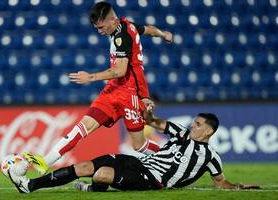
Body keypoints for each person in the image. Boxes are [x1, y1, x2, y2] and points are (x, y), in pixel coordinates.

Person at [22, 1, 173, 174]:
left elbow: (120, 70)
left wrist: (90, 77)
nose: (99, 31)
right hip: (113, 89)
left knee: (139, 146)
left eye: (101, 27)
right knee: (84, 124)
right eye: (96, 27)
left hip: (131, 93)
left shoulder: (121, 36)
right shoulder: (127, 25)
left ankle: (170, 158)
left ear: (113, 21)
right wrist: (164, 34)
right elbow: (149, 30)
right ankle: (45, 161)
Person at [8, 110, 260, 193]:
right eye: (194, 122)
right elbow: (158, 123)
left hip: (153, 180)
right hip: (139, 163)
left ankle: (89, 189)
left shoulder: (211, 156)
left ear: (207, 132)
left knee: (101, 175)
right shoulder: (182, 134)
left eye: (197, 125)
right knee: (85, 166)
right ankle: (29, 186)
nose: (192, 126)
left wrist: (239, 187)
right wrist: (147, 114)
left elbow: (220, 182)